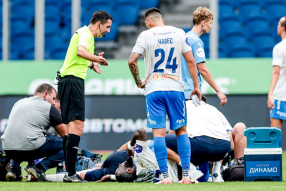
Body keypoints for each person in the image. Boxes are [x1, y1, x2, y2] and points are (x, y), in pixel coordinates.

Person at [128, 7, 201, 184]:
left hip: (154, 88)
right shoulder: (179, 33)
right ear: (163, 20)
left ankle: (165, 177)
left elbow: (132, 61)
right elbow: (191, 61)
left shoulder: (145, 35)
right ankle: (185, 176)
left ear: (147, 23)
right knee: (181, 131)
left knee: (159, 134)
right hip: (176, 87)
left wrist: (138, 81)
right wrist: (196, 86)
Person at [57, 10, 112, 182]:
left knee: (69, 129)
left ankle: (68, 172)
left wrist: (91, 64)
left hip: (67, 81)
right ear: (99, 24)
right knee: (77, 127)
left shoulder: (82, 33)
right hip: (73, 81)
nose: (108, 31)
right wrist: (96, 59)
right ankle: (71, 174)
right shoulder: (86, 34)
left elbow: (78, 56)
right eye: (107, 26)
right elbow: (81, 51)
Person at [1, 83, 66, 182]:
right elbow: (65, 134)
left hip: (7, 148)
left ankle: (13, 168)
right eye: (53, 98)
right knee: (69, 144)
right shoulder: (49, 107)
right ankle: (39, 168)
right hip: (29, 147)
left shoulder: (19, 102)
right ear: (45, 94)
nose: (53, 102)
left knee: (25, 138)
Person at [167, 96, 234, 182]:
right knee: (220, 137)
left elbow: (172, 134)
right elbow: (231, 145)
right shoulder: (214, 109)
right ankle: (216, 173)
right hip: (223, 150)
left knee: (161, 143)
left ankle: (190, 169)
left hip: (198, 145)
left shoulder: (183, 106)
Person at [182, 7, 227, 106]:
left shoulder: (183, 38)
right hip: (191, 92)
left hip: (178, 91)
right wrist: (218, 91)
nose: (211, 26)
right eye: (210, 23)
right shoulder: (197, 42)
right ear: (203, 22)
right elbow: (203, 70)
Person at [267, 16, 286, 147]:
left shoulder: (279, 48)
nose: (277, 27)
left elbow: (276, 72)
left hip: (281, 94)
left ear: (283, 27)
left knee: (275, 132)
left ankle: (276, 164)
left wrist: (270, 94)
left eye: (279, 24)